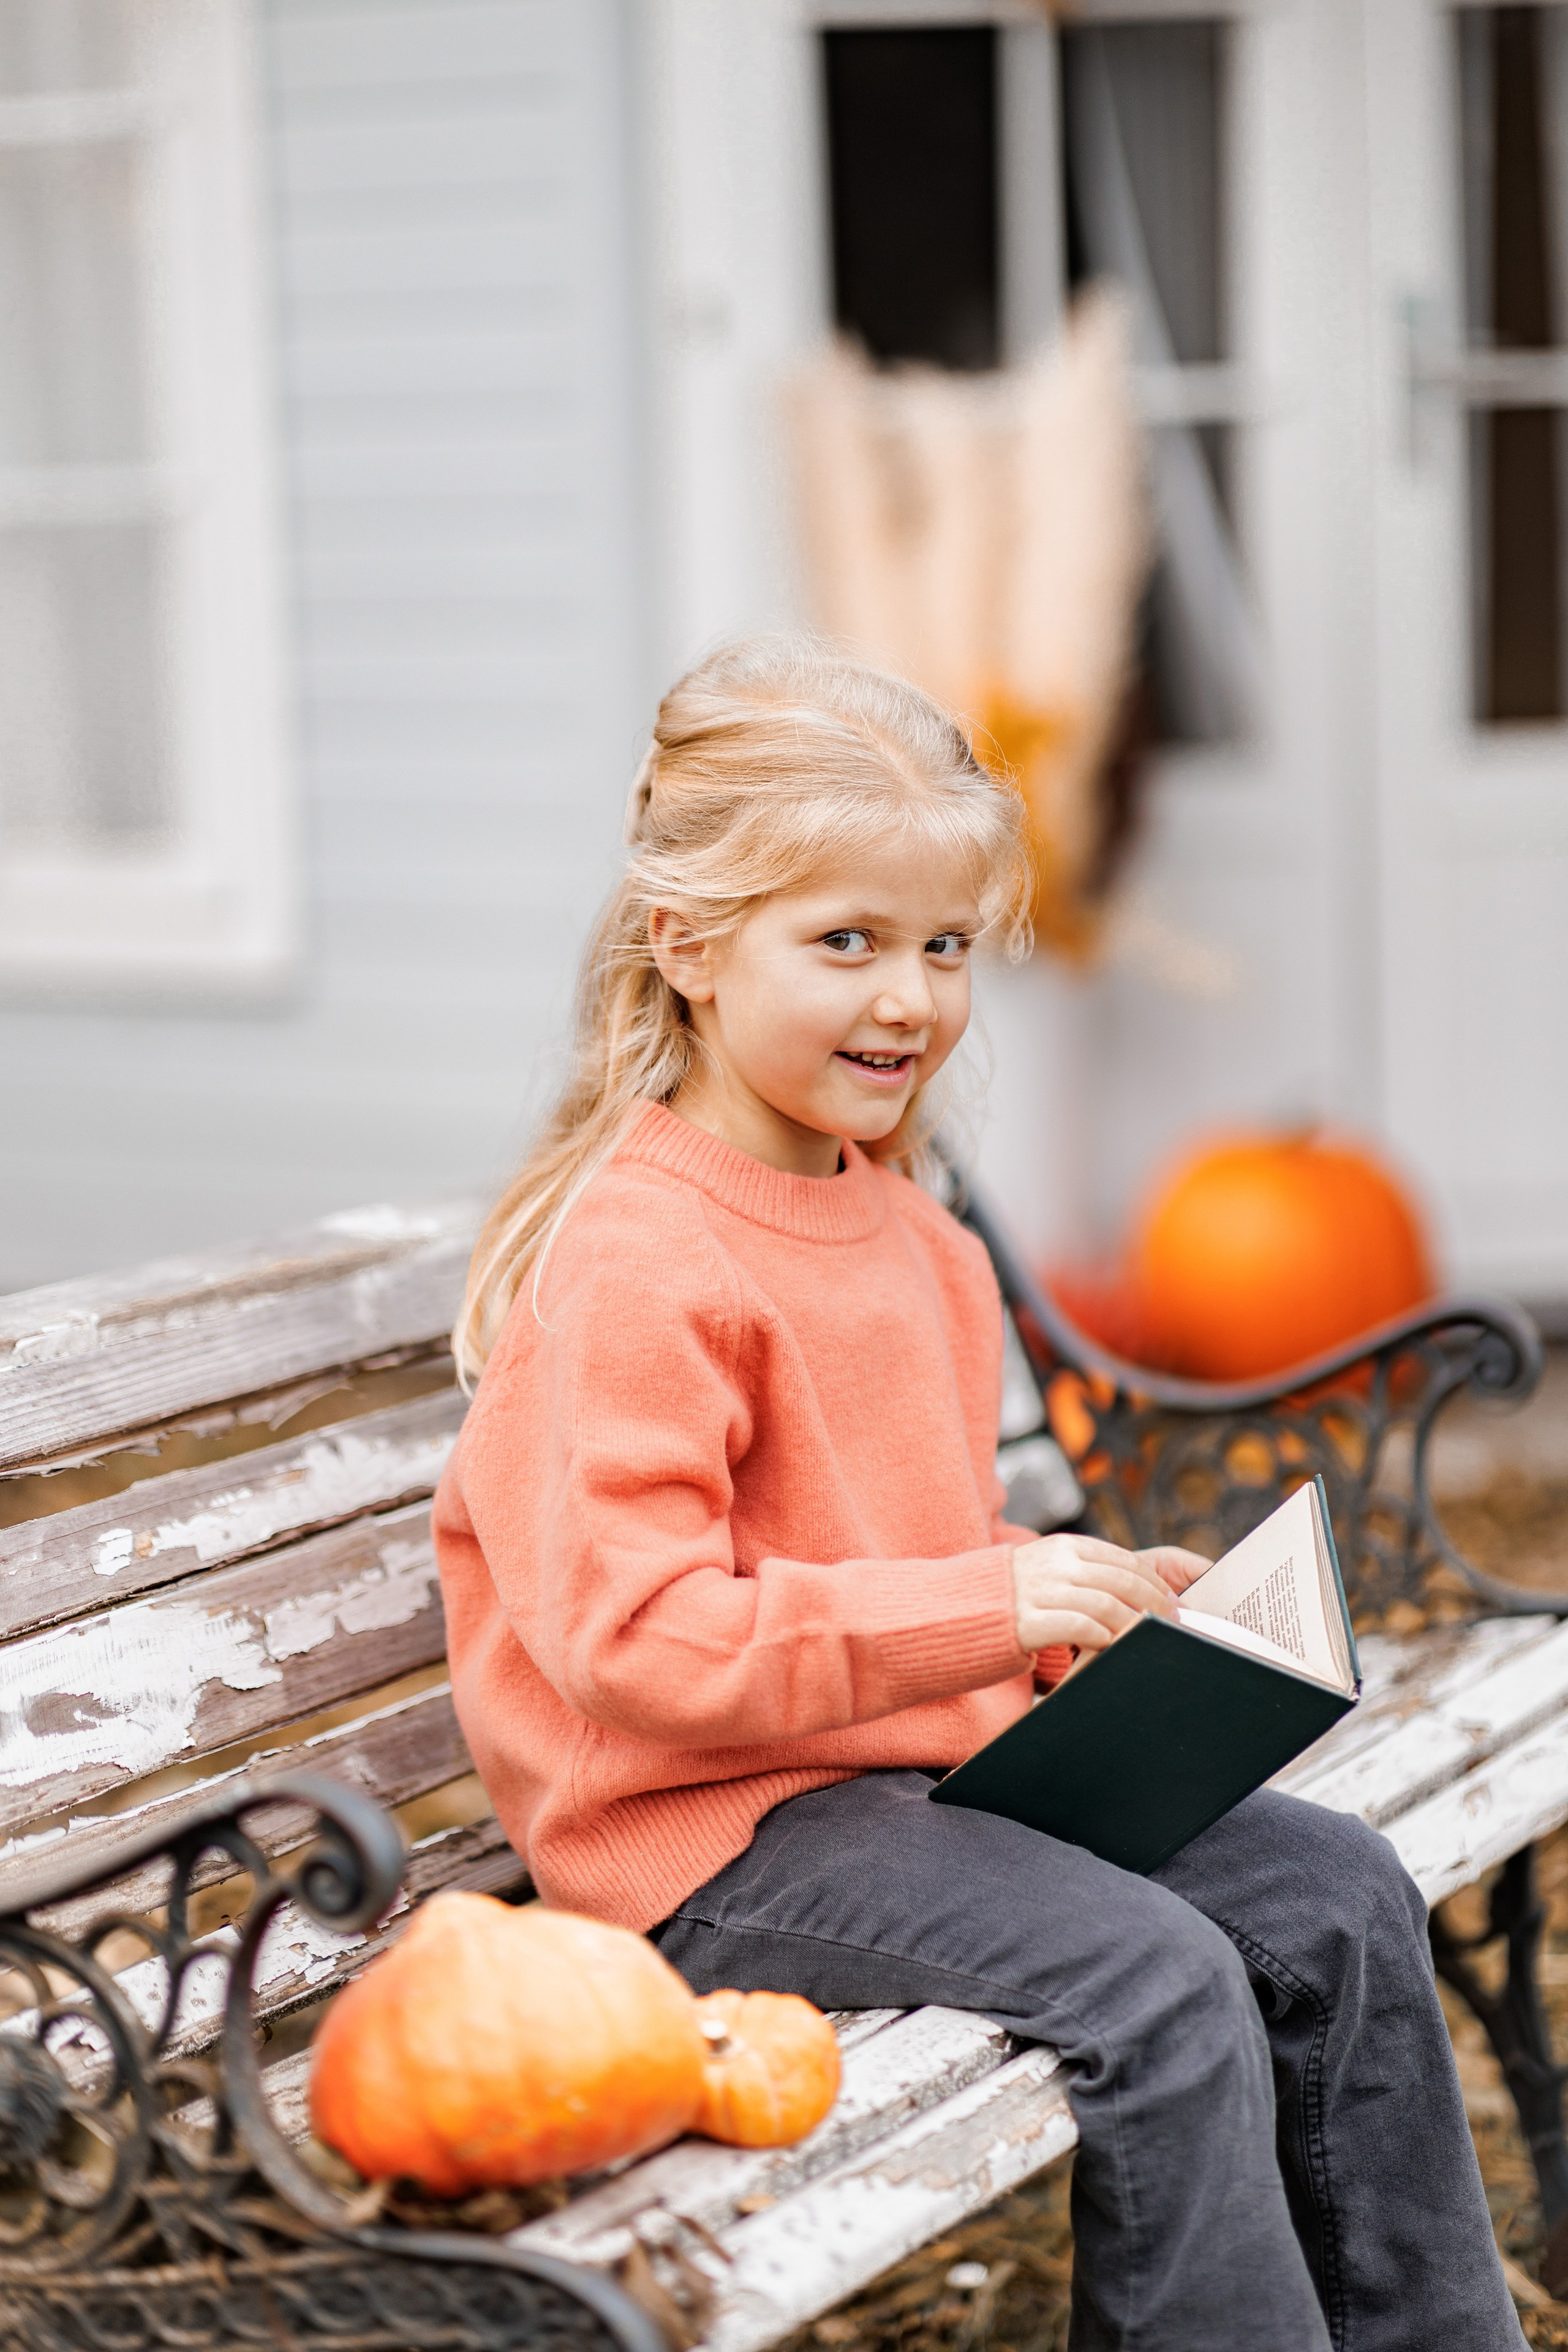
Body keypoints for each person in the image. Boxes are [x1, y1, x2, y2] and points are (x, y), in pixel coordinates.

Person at [433, 639, 1521, 2352]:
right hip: (709, 1848)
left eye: (943, 947)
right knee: (1156, 1984)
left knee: (1339, 1897)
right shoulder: (642, 1264)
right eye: (845, 941)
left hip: (916, 1786)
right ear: (690, 948)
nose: (908, 999)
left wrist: (1078, 1610)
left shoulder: (917, 1237)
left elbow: (897, 1550)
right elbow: (630, 1642)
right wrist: (981, 1608)